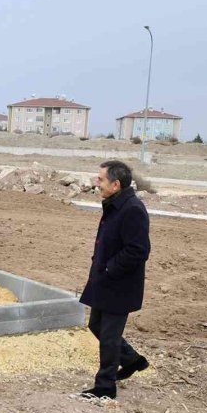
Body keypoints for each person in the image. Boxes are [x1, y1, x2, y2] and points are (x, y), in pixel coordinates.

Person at [78, 161, 151, 400]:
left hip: (119, 285)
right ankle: (132, 360)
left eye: (101, 179)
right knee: (96, 326)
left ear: (116, 184)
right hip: (106, 281)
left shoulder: (132, 209)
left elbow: (139, 250)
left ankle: (105, 387)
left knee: (109, 336)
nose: (97, 183)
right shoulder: (115, 204)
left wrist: (110, 268)